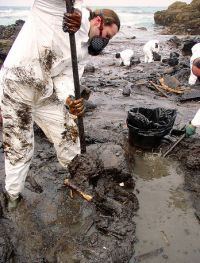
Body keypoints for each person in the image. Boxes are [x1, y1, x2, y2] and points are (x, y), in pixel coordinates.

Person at [0, 0, 120, 210]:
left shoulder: (82, 50)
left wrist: (69, 100)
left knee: (68, 131)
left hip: (45, 93)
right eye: (106, 36)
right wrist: (79, 14)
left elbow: (65, 77)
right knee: (20, 148)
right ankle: (13, 196)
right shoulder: (56, 10)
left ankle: (77, 176)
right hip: (16, 88)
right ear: (98, 21)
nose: (104, 42)